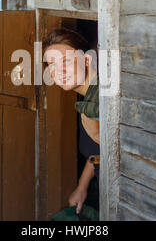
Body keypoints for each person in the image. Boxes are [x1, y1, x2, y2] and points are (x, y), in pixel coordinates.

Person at [42, 28, 100, 215]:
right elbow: (98, 153)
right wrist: (82, 186)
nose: (59, 71)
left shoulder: (101, 102)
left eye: (66, 60)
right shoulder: (87, 98)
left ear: (86, 60)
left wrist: (99, 136)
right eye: (52, 64)